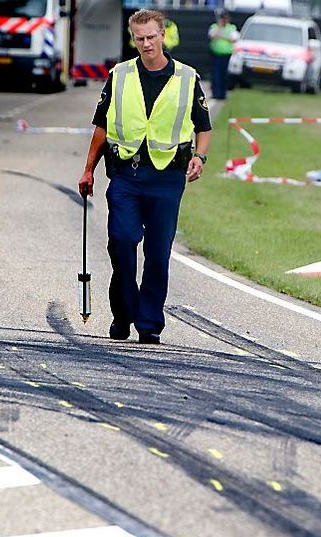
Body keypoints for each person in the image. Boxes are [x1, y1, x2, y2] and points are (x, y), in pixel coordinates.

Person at [78, 9, 212, 345]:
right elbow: (102, 125)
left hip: (167, 179)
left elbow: (204, 127)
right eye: (139, 39)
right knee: (121, 242)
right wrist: (88, 170)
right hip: (127, 174)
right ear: (133, 39)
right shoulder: (119, 75)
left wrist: (200, 156)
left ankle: (149, 323)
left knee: (157, 253)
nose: (146, 44)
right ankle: (123, 312)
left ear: (162, 35)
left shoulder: (187, 77)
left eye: (151, 37)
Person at [207, 8, 239, 100]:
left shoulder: (231, 28)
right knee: (216, 75)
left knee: (224, 75)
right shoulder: (215, 27)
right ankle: (216, 93)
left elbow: (233, 38)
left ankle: (223, 94)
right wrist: (220, 28)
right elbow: (212, 36)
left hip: (226, 55)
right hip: (216, 54)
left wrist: (221, 36)